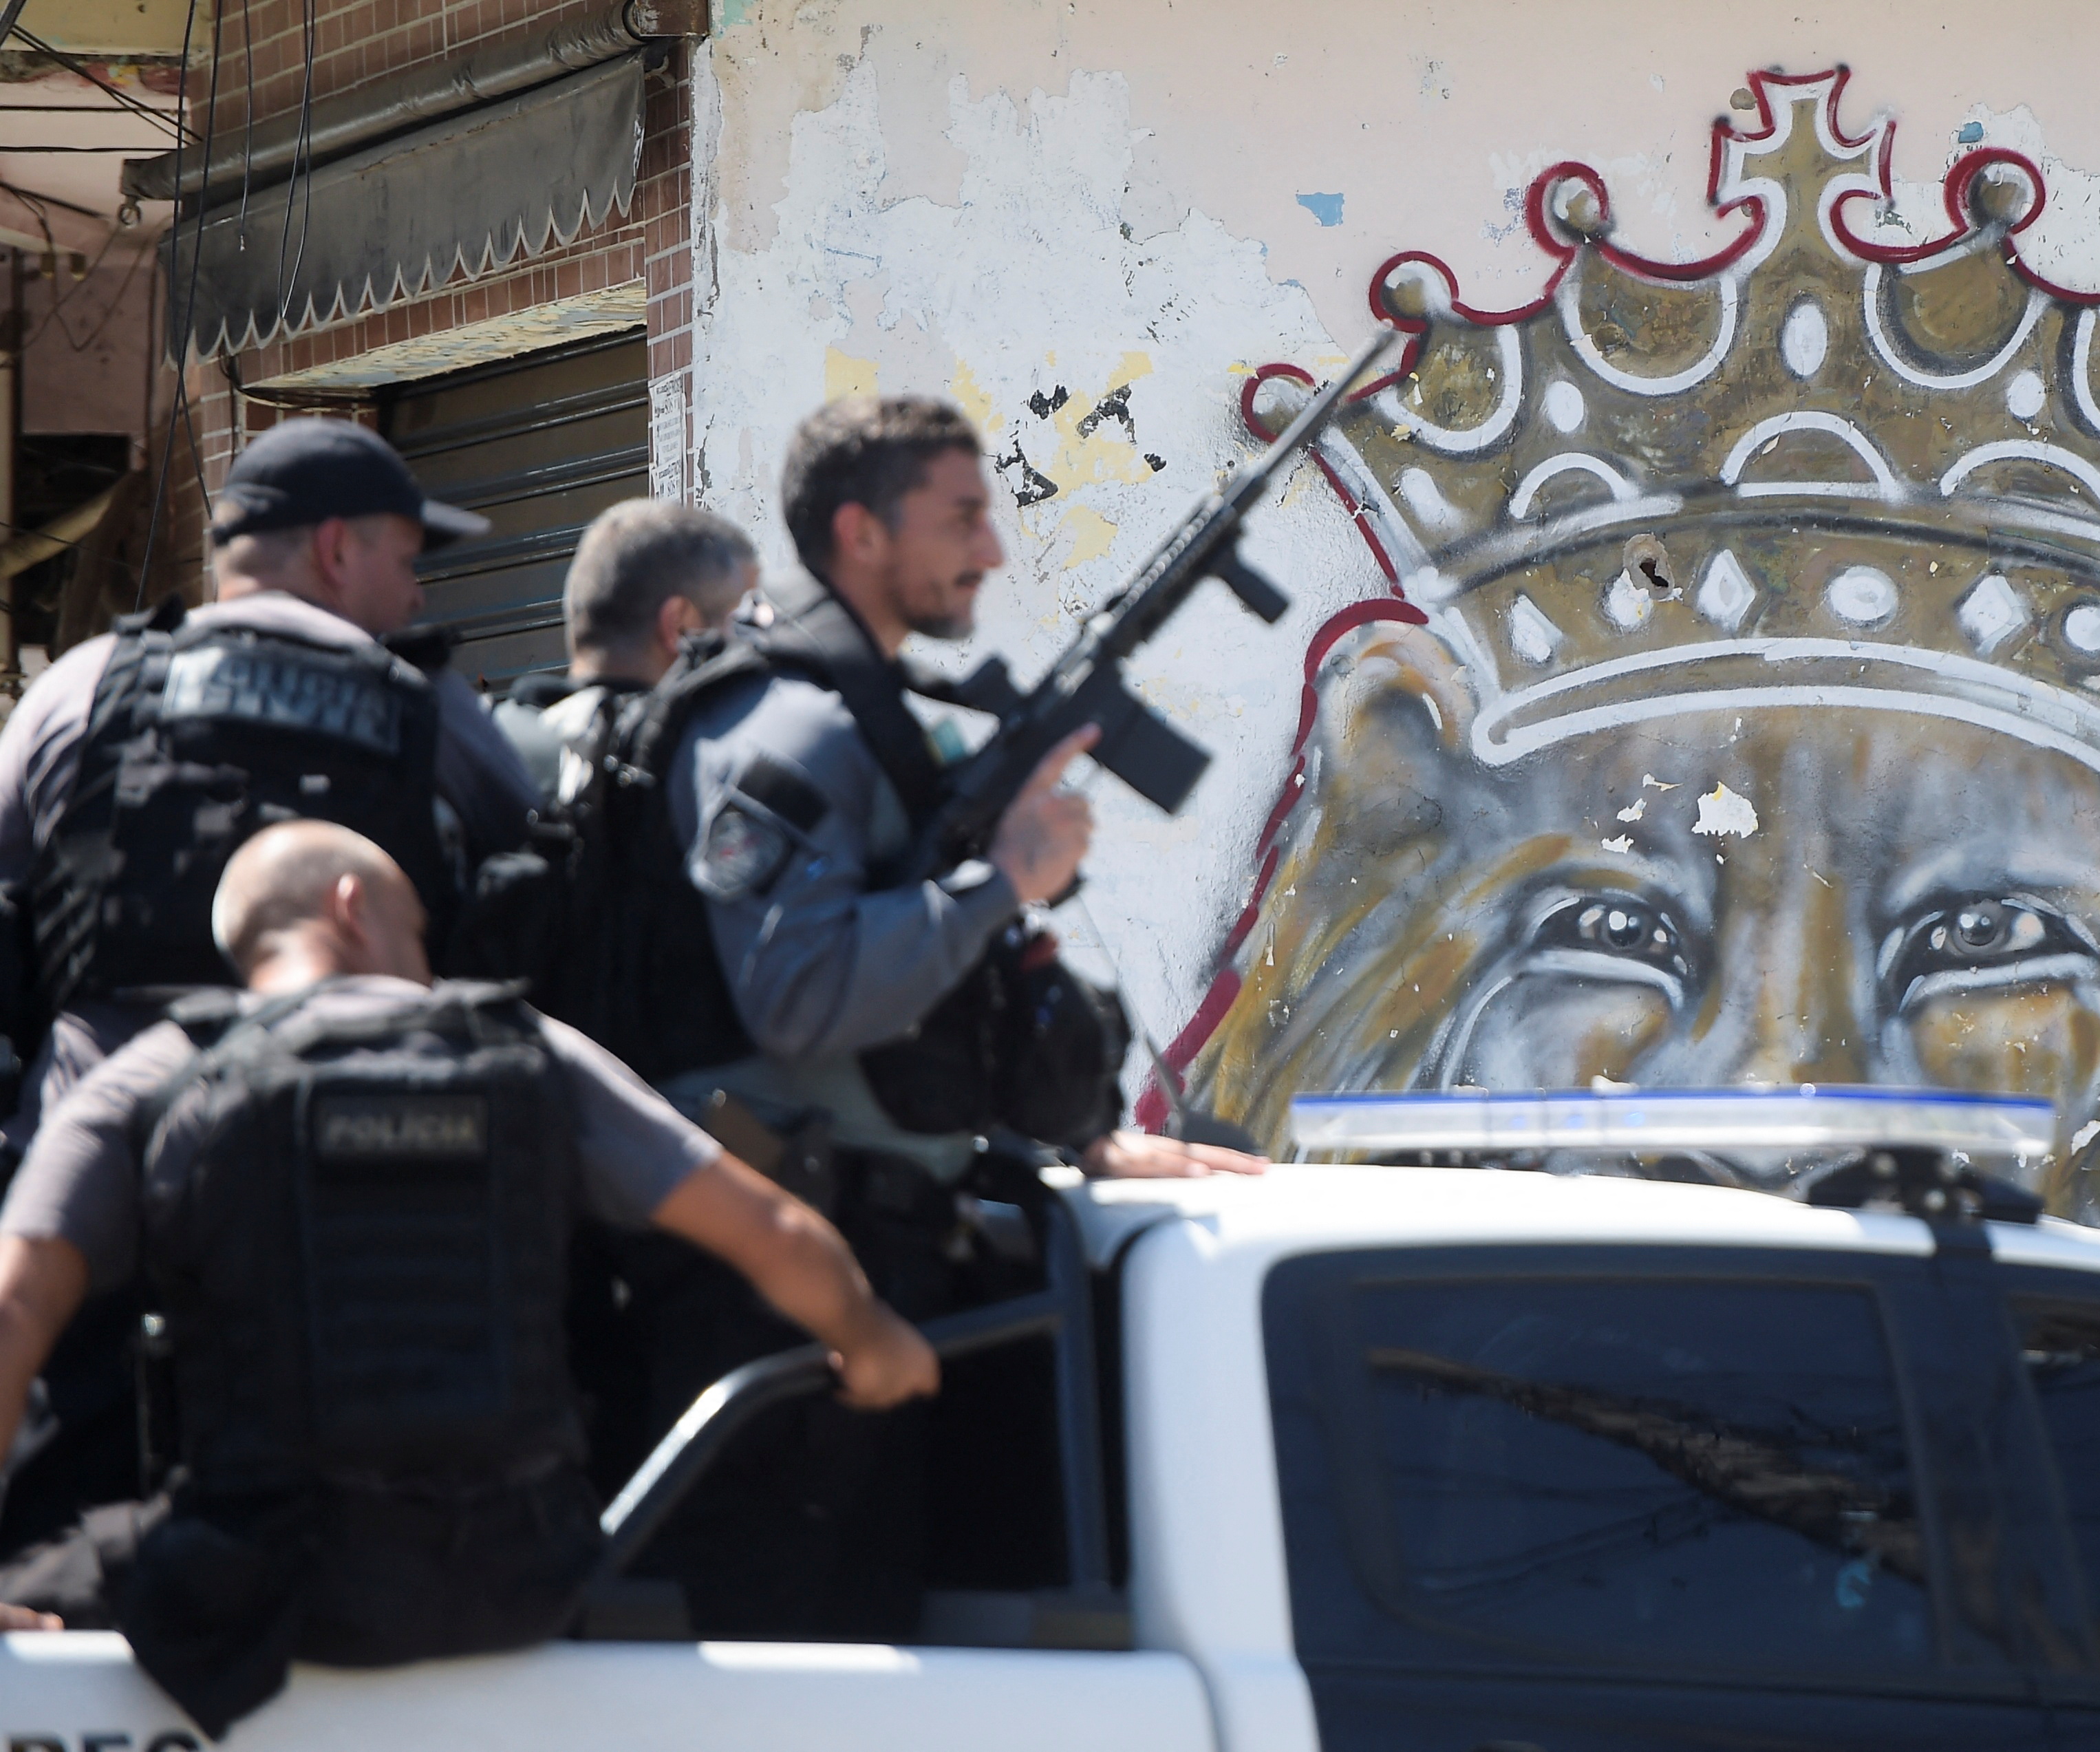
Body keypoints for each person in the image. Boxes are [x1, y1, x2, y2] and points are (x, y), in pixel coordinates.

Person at [550, 396, 1261, 1639]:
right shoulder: (783, 726)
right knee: (783, 1669)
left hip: (884, 1258)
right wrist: (1002, 881)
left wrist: (1075, 1125)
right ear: (859, 534)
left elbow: (922, 1009)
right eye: (962, 517)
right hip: (776, 1290)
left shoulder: (875, 717)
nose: (990, 548)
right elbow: (801, 996)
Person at [0, 820, 936, 1735]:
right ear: (352, 904)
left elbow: (18, 1299)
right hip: (523, 1583)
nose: (427, 961)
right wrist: (876, 1342)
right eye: (417, 931)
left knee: (38, 1580)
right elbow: (773, 1228)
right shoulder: (529, 1052)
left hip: (266, 1591)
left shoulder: (160, 1076)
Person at [0, 416, 542, 1559]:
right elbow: (530, 903)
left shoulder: (80, 690)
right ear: (336, 550)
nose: (410, 595)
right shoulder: (424, 706)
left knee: (54, 1556)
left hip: (84, 1191)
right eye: (405, 559)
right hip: (350, 1213)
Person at [493, 500, 756, 804]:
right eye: (739, 620)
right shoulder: (702, 781)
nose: (750, 640)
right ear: (679, 625)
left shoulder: (484, 748)